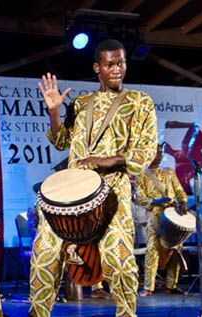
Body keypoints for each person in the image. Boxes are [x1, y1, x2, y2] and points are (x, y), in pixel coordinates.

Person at [30, 39, 158, 317]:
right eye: (109, 64)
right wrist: (54, 112)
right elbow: (60, 141)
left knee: (120, 261)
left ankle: (126, 313)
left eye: (121, 62)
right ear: (97, 67)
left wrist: (106, 161)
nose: (116, 69)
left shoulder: (139, 101)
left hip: (113, 192)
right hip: (71, 190)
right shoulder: (81, 103)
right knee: (43, 258)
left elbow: (146, 150)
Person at [136, 144, 189, 297]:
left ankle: (172, 285)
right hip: (155, 215)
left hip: (173, 213)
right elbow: (141, 199)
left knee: (176, 249)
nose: (159, 155)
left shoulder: (169, 172)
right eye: (155, 152)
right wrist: (157, 201)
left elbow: (179, 191)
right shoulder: (142, 175)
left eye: (160, 152)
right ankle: (148, 286)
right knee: (153, 249)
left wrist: (183, 203)